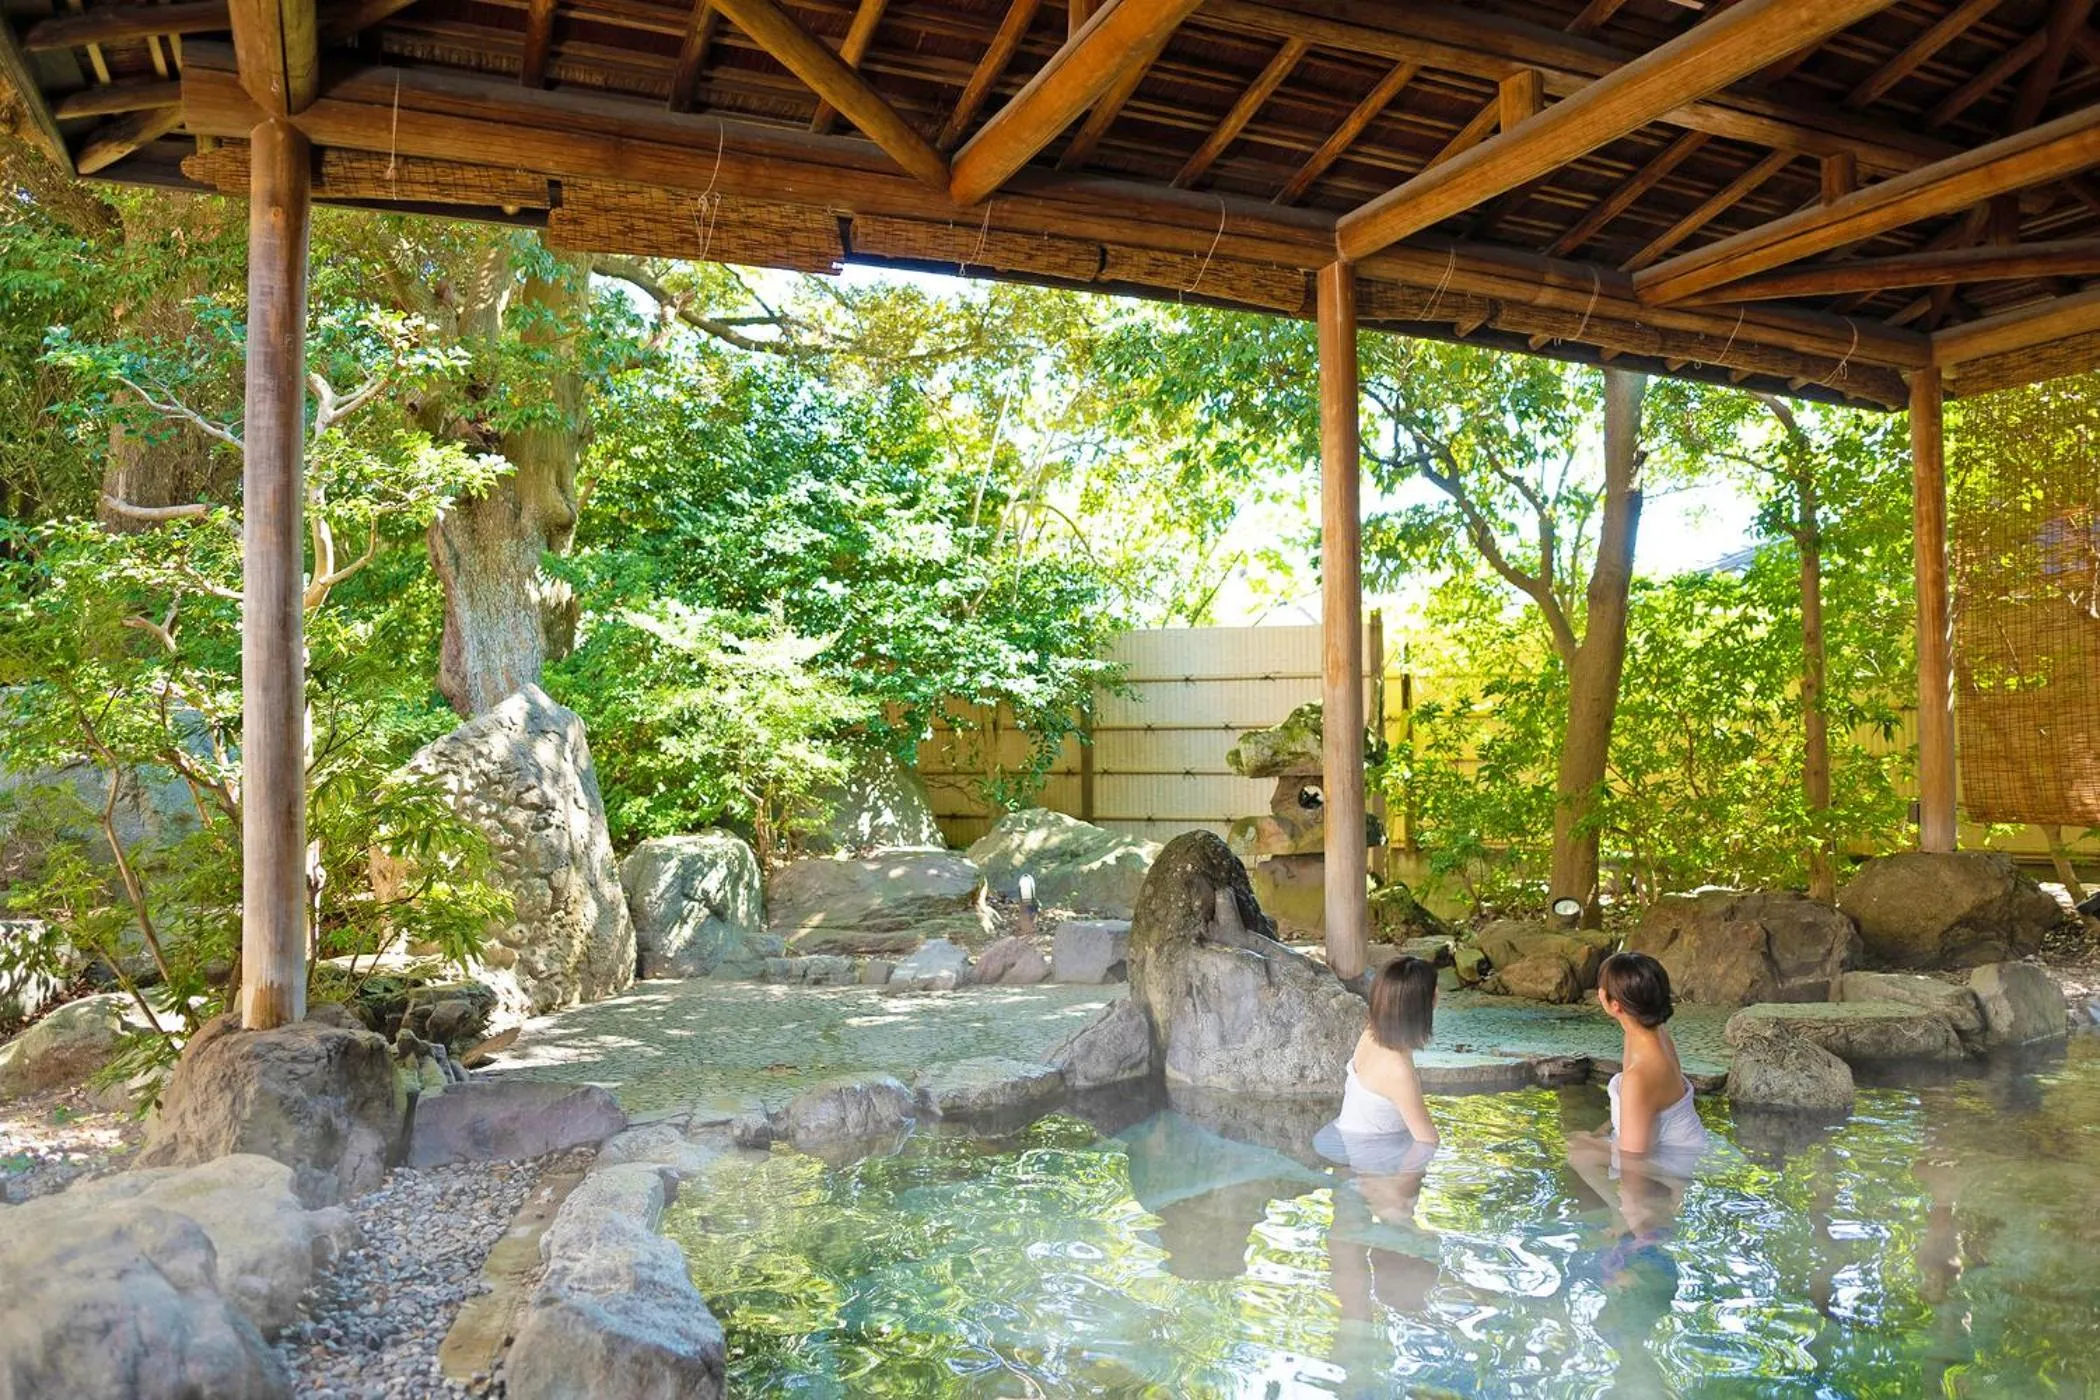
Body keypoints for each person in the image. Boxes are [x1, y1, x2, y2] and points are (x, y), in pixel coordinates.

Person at [1315, 955, 1440, 1168]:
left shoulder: (1372, 1033)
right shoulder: (1398, 1069)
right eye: (1434, 991)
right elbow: (1427, 1142)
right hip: (1373, 1156)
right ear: (1422, 1007)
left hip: (1346, 1137)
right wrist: (1404, 1192)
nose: (1439, 994)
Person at [1589, 950, 1707, 1162]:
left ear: (1615, 1005)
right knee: (1582, 1144)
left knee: (1578, 1154)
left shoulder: (1640, 1076)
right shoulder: (1651, 1035)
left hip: (1669, 1166)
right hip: (1682, 1146)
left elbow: (1633, 1166)